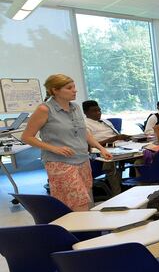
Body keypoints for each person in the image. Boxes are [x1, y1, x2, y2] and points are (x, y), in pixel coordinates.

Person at [21, 74, 113, 210]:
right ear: (55, 90)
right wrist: (53, 148)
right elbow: (27, 137)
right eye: (69, 88)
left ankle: (86, 230)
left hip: (82, 159)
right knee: (77, 202)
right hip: (60, 162)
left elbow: (83, 132)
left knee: (86, 200)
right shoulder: (44, 109)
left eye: (74, 87)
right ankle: (75, 230)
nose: (74, 90)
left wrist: (101, 148)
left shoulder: (75, 107)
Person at [82, 100, 127, 194]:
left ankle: (134, 185)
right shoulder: (85, 124)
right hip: (100, 151)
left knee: (144, 154)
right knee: (110, 162)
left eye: (99, 110)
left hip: (118, 146)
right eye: (94, 111)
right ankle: (117, 193)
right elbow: (91, 144)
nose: (98, 113)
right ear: (86, 112)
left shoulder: (105, 122)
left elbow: (116, 135)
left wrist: (125, 138)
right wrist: (113, 139)